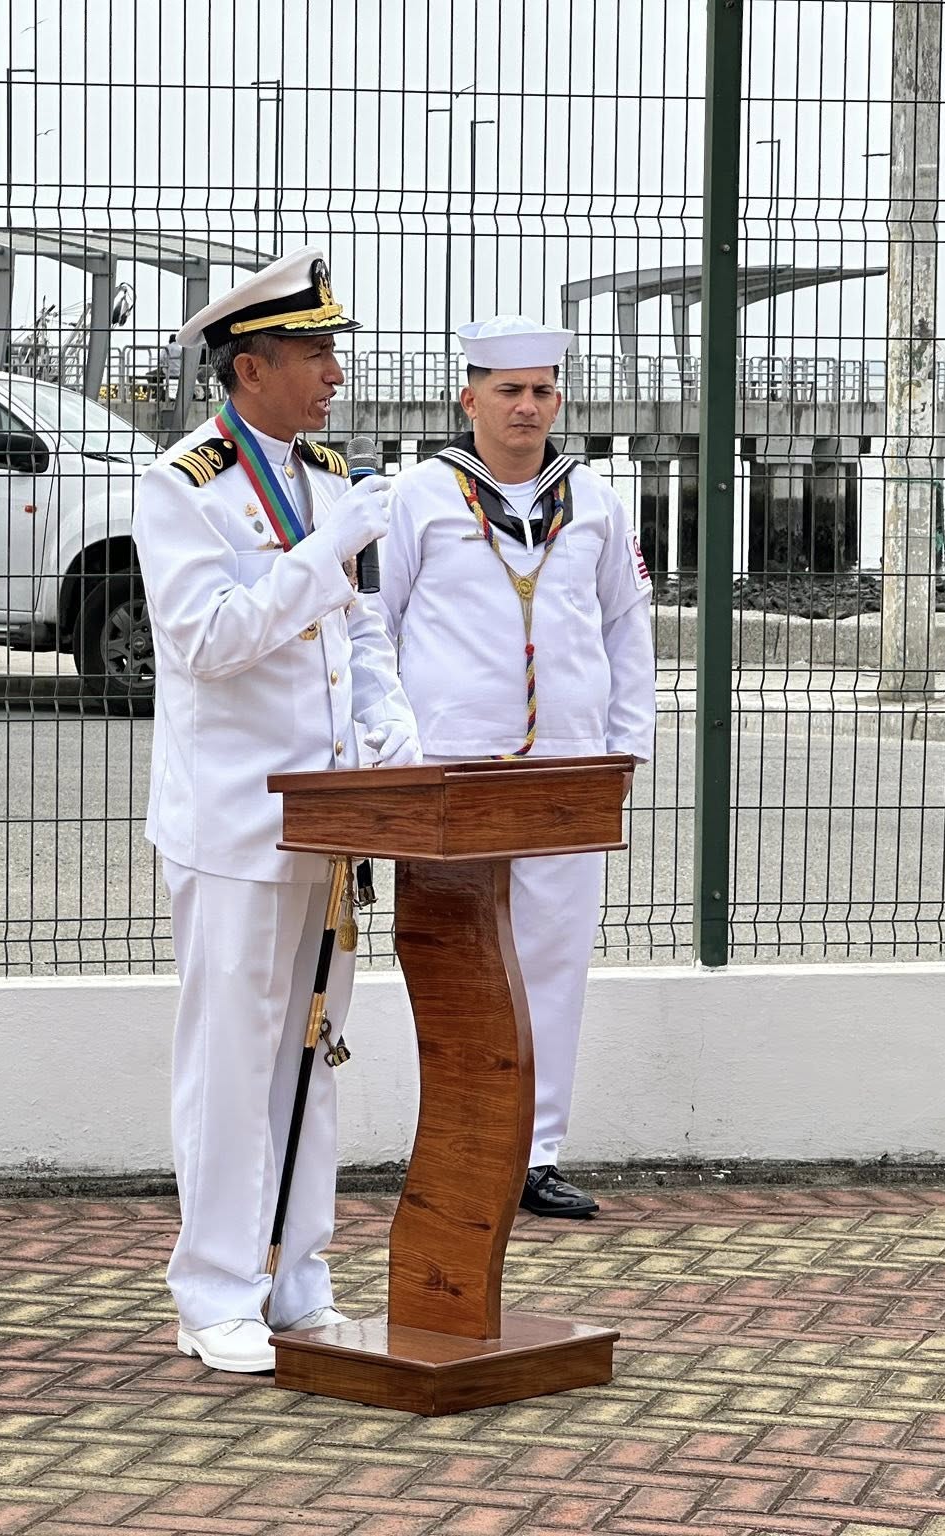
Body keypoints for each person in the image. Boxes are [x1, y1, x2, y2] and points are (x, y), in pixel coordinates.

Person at [136, 246, 421, 1373]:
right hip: (238, 823)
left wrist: (392, 732)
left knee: (314, 1049)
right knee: (231, 1060)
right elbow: (206, 640)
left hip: (334, 820)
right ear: (249, 367)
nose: (334, 372)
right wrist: (321, 554)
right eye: (312, 352)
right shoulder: (184, 484)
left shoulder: (326, 473)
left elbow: (357, 631)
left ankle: (298, 1275)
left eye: (332, 350)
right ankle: (213, 1291)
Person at [373, 315, 657, 1219]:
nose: (527, 406)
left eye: (541, 391)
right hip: (453, 764)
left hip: (567, 767)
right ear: (470, 398)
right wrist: (391, 747)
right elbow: (377, 623)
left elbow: (627, 629)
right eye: (508, 390)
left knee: (554, 960)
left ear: (558, 400)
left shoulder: (595, 501)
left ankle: (535, 1154)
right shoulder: (421, 495)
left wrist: (625, 747)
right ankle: (460, 1140)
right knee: (455, 958)